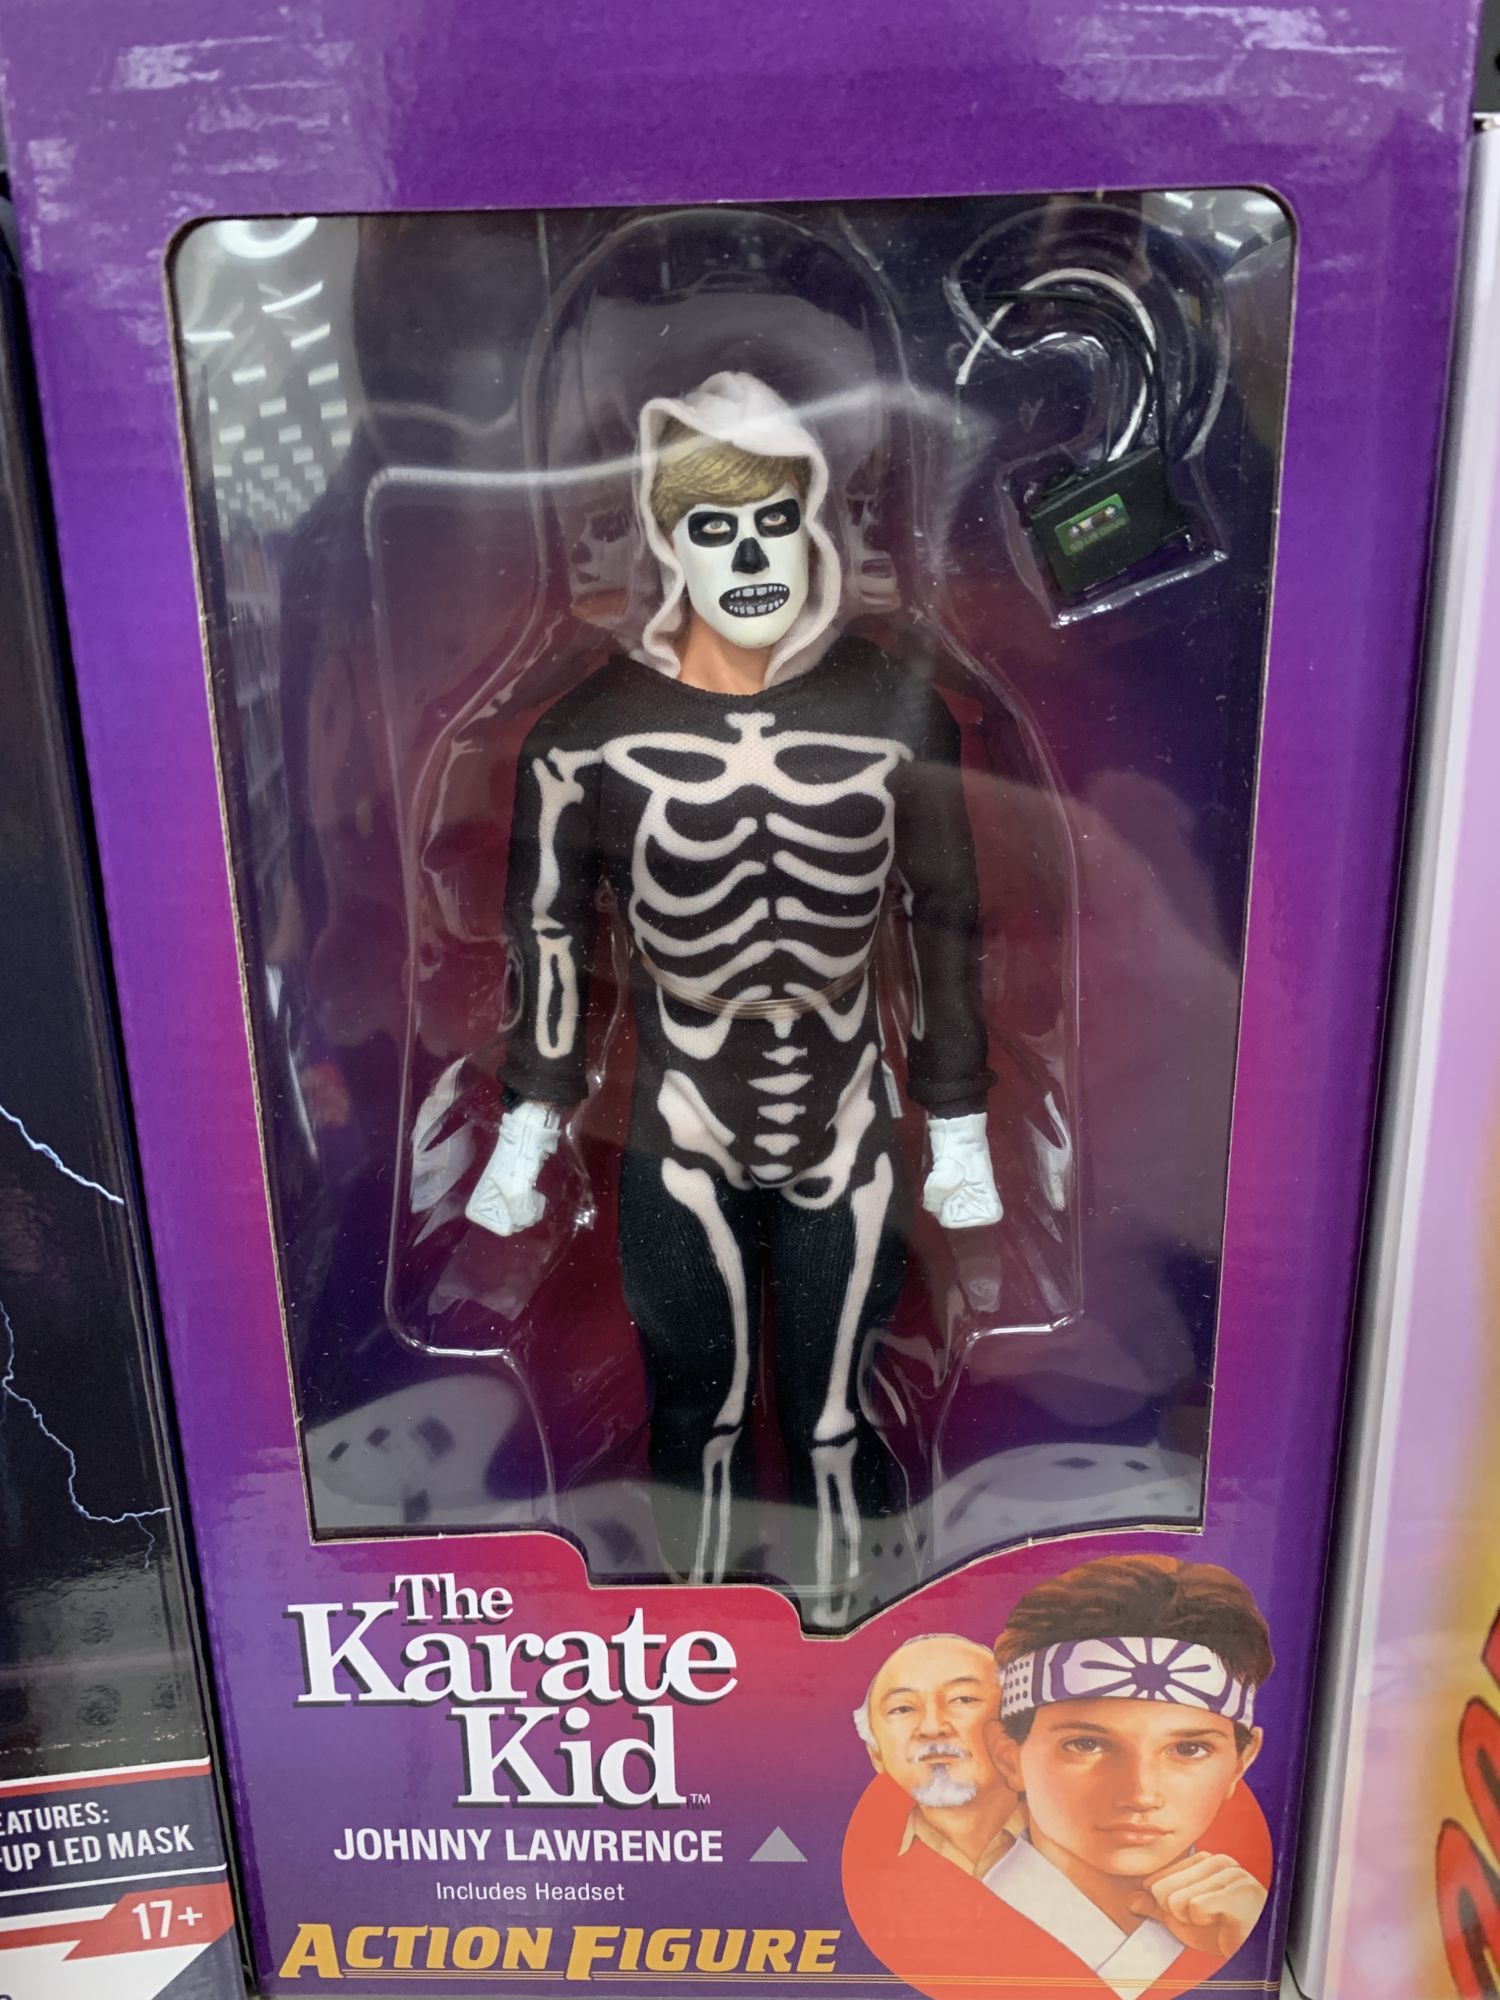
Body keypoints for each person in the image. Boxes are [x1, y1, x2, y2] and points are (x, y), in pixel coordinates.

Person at [463, 372, 1002, 1627]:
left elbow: (944, 918)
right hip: (680, 1122)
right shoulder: (586, 736)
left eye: (773, 520)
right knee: (694, 1413)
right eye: (716, 527)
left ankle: (850, 1645)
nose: (751, 555)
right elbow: (548, 931)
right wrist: (529, 1130)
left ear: (813, 524)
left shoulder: (896, 711)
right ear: (669, 543)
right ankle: (701, 1653)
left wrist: (961, 1128)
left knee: (834, 1420)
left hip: (847, 1118)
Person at [981, 1555, 1273, 1998]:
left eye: (1188, 1749)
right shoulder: (949, 1920)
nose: (1141, 1793)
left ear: (1240, 1762)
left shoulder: (1246, 1928)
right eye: (1086, 1744)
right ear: (1008, 1756)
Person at [853, 1633, 1019, 1878]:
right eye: (903, 1708)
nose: (931, 1728)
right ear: (875, 1751)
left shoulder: (1069, 1839)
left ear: (1014, 1729)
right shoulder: (867, 1866)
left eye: (962, 1699)